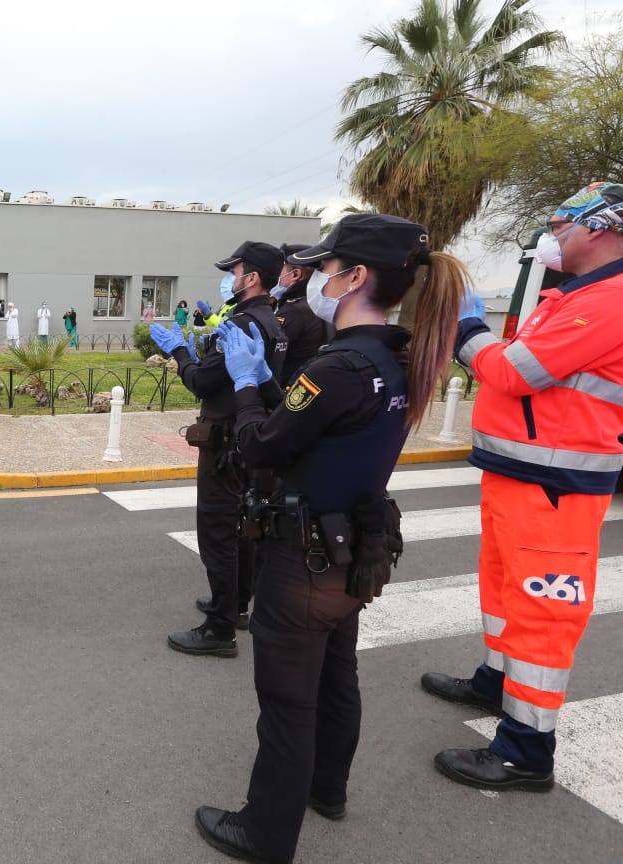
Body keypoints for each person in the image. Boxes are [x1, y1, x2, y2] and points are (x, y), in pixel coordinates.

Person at [194, 214, 466, 864]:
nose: (312, 279)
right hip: (351, 550)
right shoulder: (399, 355)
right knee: (337, 678)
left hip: (304, 558)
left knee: (288, 704)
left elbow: (263, 445)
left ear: (354, 277)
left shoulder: (341, 366)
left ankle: (264, 832)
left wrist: (248, 381)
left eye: (322, 268)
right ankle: (327, 789)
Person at [424, 182, 623, 792]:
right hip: (523, 474)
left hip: (558, 485)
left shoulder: (611, 299)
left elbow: (515, 370)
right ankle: (495, 681)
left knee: (542, 611)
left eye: (564, 223)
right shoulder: (572, 296)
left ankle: (525, 750)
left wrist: (467, 331)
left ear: (601, 227)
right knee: (504, 589)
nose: (553, 234)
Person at [150, 241, 287, 657]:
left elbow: (203, 383)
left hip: (226, 444)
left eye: (235, 270)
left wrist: (178, 351)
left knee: (217, 533)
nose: (231, 277)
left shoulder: (245, 323)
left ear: (253, 278)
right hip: (247, 437)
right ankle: (236, 605)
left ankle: (219, 628)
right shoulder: (270, 320)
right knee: (241, 528)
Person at [274, 244, 333, 386]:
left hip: (285, 389)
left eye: (279, 270)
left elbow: (270, 356)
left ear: (295, 274)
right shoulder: (319, 304)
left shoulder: (293, 310)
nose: (276, 276)